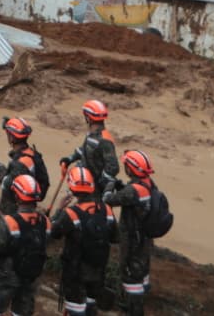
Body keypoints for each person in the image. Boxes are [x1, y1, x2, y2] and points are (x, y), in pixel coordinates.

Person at [105, 150, 169, 316]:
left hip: (133, 241)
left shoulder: (133, 191)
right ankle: (137, 302)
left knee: (131, 277)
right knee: (141, 273)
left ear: (131, 168)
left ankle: (134, 309)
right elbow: (132, 195)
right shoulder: (148, 184)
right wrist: (123, 187)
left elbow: (109, 200)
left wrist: (109, 188)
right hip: (145, 238)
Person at [51, 165, 118, 316]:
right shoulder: (106, 209)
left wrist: (59, 210)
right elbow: (115, 237)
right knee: (90, 307)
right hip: (98, 271)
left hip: (75, 273)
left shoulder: (71, 213)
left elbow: (54, 233)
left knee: (76, 310)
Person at [0, 174, 50, 316]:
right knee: (22, 311)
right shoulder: (45, 222)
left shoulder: (10, 222)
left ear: (17, 197)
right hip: (31, 275)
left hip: (7, 275)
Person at [60, 100, 119, 200]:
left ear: (88, 118)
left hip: (96, 190)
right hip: (86, 184)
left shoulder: (105, 140)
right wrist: (69, 159)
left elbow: (113, 167)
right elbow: (85, 149)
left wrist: (101, 182)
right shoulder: (92, 134)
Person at [0, 117, 50, 217]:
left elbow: (7, 185)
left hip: (15, 213)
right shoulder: (33, 154)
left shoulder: (20, 163)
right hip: (29, 208)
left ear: (11, 138)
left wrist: (1, 169)